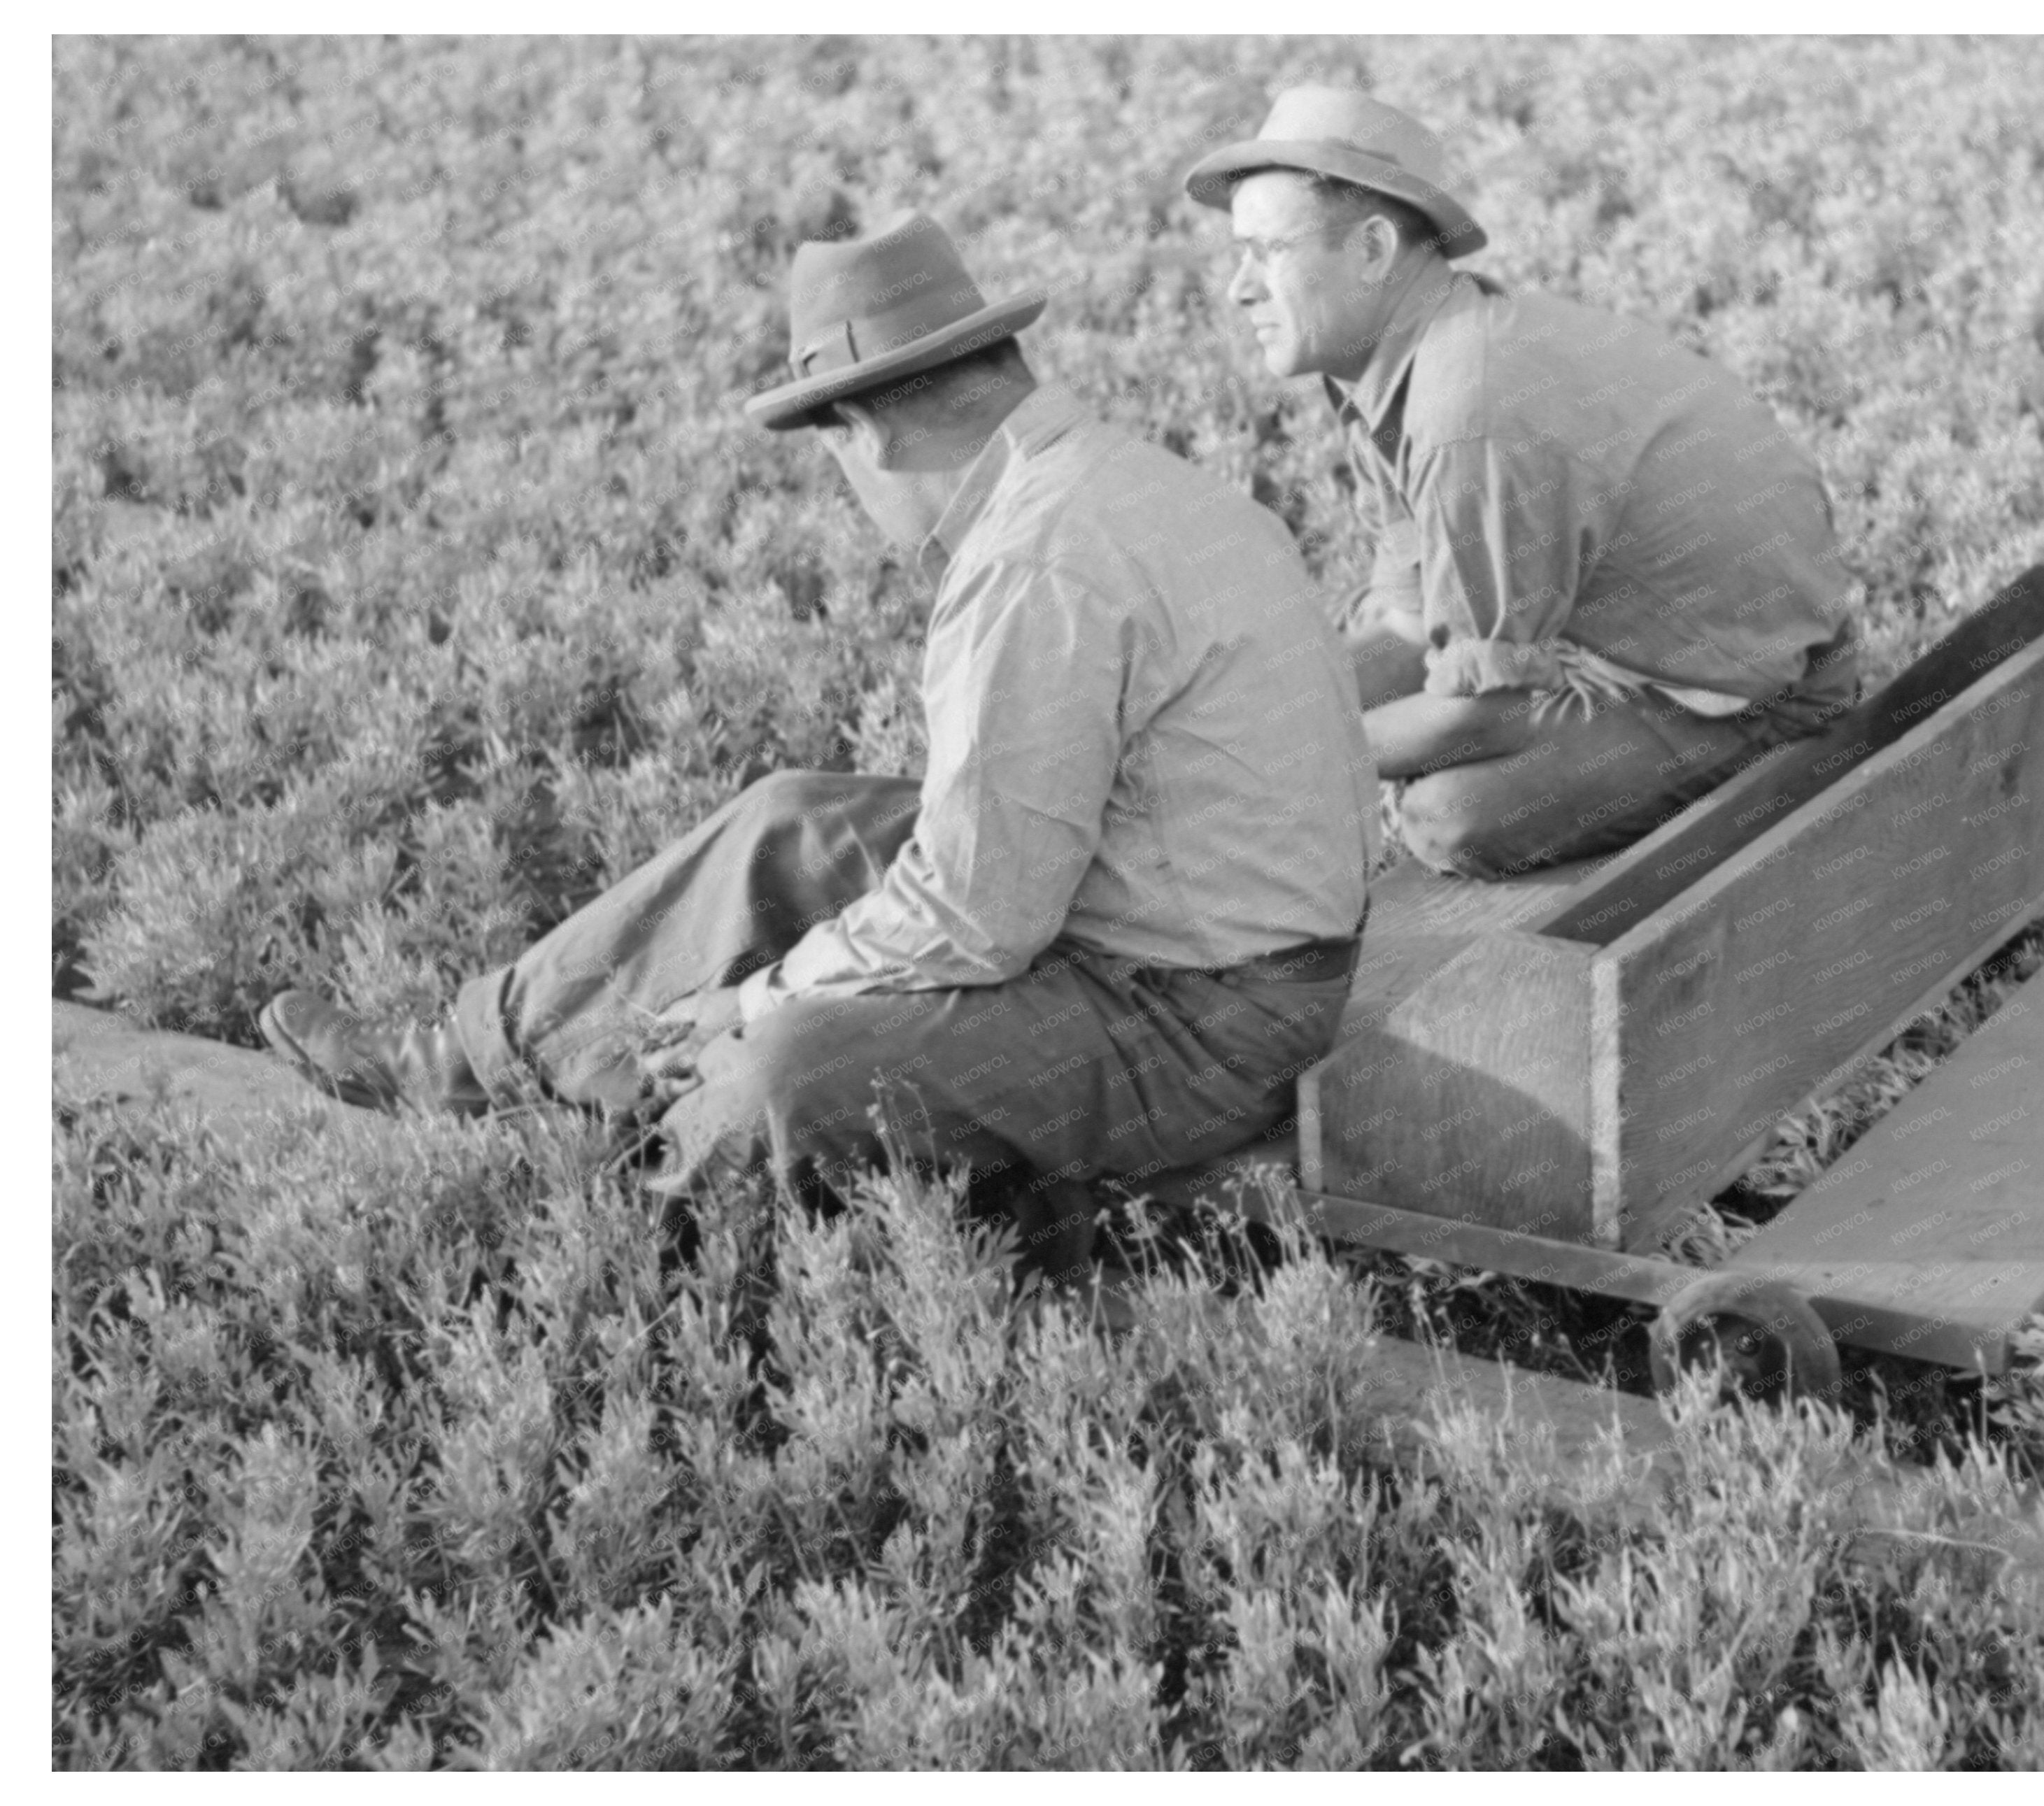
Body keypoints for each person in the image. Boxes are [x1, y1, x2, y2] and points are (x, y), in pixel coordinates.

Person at [261, 212, 1376, 1279]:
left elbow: (982, 919)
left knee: (784, 1076)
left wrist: (757, 1001)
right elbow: (1004, 866)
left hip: (1202, 1024)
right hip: (1171, 920)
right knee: (791, 821)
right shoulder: (1112, 485)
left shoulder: (1032, 562)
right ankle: (473, 1066)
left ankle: (610, 1265)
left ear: (869, 430)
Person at [1185, 87, 1864, 881]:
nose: (1238, 287)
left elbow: (1481, 707)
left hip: (1754, 693)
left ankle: (1731, 778)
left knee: (1445, 819)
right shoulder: (1389, 365)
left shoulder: (1464, 410)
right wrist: (1251, 729)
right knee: (1277, 715)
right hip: (1621, 642)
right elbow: (1411, 623)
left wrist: (1284, 763)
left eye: (1266, 252)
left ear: (1371, 250)